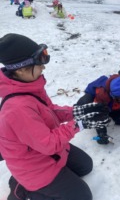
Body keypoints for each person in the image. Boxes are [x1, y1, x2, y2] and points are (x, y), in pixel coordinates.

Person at [0, 33, 110, 200]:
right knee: (82, 196)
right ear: (21, 69)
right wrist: (79, 124)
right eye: (39, 63)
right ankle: (23, 188)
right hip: (34, 166)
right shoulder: (17, 109)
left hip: (46, 150)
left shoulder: (29, 85)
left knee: (85, 166)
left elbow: (49, 111)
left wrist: (76, 111)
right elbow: (49, 144)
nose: (43, 67)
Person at [77, 74, 120, 144]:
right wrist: (101, 133)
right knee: (85, 105)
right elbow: (98, 113)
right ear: (113, 95)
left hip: (113, 104)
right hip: (98, 100)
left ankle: (111, 110)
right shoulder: (102, 95)